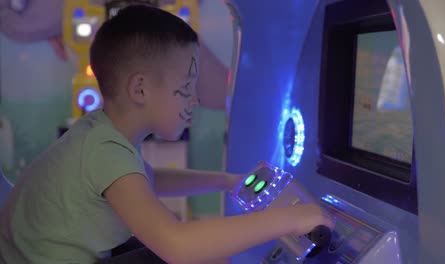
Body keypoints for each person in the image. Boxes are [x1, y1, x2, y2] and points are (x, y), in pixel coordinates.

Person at [0, 5, 333, 264]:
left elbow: (149, 180)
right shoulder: (106, 151)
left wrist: (227, 181)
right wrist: (289, 219)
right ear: (140, 88)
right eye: (186, 88)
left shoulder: (102, 134)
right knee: (199, 251)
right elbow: (176, 245)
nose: (196, 99)